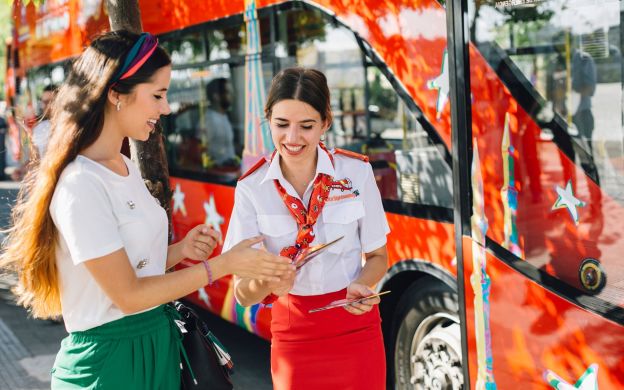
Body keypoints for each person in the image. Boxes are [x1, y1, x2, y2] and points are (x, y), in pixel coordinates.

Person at [0, 30, 293, 390]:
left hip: (156, 346)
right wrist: (222, 265)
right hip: (111, 365)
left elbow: (133, 267)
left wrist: (182, 251)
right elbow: (127, 294)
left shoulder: (124, 166)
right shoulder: (81, 184)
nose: (167, 108)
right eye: (157, 95)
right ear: (115, 94)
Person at [223, 67, 390, 390]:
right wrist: (268, 281)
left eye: (307, 126)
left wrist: (362, 284)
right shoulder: (251, 187)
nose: (293, 138)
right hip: (293, 332)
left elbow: (378, 256)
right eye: (282, 125)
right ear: (268, 119)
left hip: (355, 326)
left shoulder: (356, 173)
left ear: (326, 122)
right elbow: (243, 294)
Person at [199, 77, 238, 167]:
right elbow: (202, 151)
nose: (232, 95)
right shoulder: (209, 121)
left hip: (231, 168)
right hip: (220, 173)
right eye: (228, 92)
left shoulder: (223, 115)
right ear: (216, 96)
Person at [32, 84, 58, 158]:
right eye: (43, 102)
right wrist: (21, 169)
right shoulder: (38, 128)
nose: (44, 106)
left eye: (48, 102)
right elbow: (36, 160)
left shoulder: (69, 128)